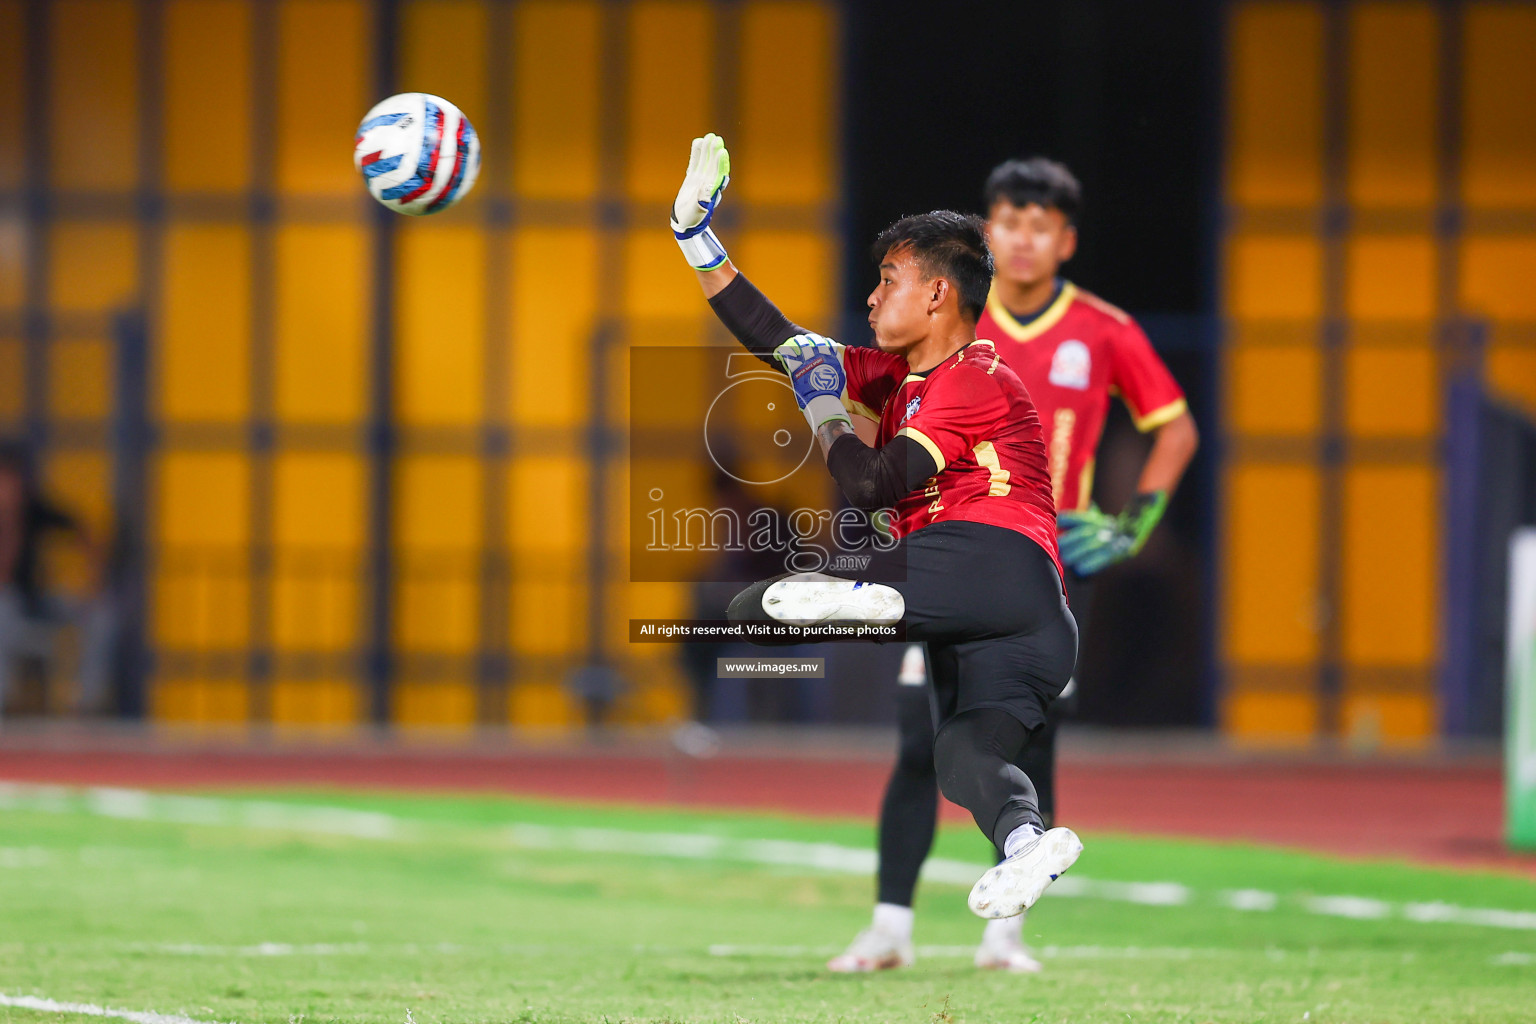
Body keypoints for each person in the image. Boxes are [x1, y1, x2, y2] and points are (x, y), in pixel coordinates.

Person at [669, 134, 1083, 922]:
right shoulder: (897, 376)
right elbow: (780, 341)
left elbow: (871, 484)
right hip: (1024, 625)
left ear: (936, 295)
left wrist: (826, 408)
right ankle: (1030, 840)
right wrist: (697, 238)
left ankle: (859, 600)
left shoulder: (973, 377)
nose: (870, 296)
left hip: (986, 562)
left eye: (887, 279)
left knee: (772, 604)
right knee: (965, 757)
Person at [830, 158, 1200, 972]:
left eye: (1040, 225)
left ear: (1065, 240)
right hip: (947, 549)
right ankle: (890, 925)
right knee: (916, 741)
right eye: (1007, 221)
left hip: (1044, 560)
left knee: (1027, 738)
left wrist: (1134, 526)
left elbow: (1174, 427)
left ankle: (1007, 930)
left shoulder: (1103, 329)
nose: (1022, 239)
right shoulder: (949, 315)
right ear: (986, 233)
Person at [0, 441, 118, 720]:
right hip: (8, 609)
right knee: (2, 607)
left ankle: (87, 704)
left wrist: (93, 582)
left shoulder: (34, 508)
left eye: (12, 478)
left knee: (102, 615)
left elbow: (84, 531)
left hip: (37, 601)